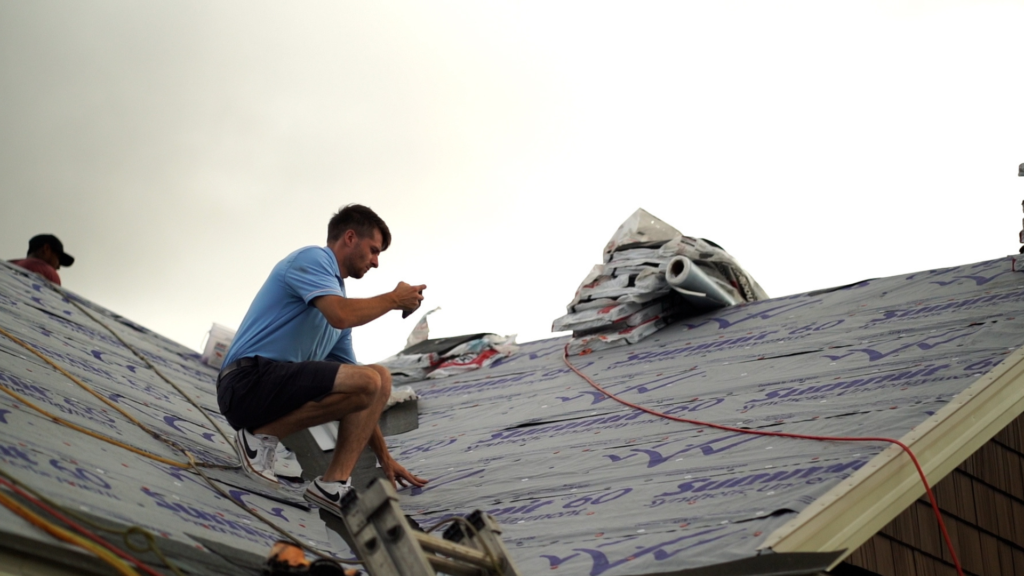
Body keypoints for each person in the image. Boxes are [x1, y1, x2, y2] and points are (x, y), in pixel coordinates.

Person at [217, 204, 428, 517]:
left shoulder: (335, 300)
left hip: (273, 392)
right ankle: (258, 440)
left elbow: (366, 395)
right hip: (244, 384)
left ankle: (332, 484)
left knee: (377, 378)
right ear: (350, 237)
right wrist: (394, 299)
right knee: (371, 378)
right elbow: (340, 315)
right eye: (373, 250)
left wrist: (385, 457)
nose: (376, 262)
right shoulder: (312, 259)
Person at [8, 234, 75, 286]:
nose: (58, 267)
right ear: (46, 249)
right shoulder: (46, 271)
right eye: (58, 258)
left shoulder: (8, 265)